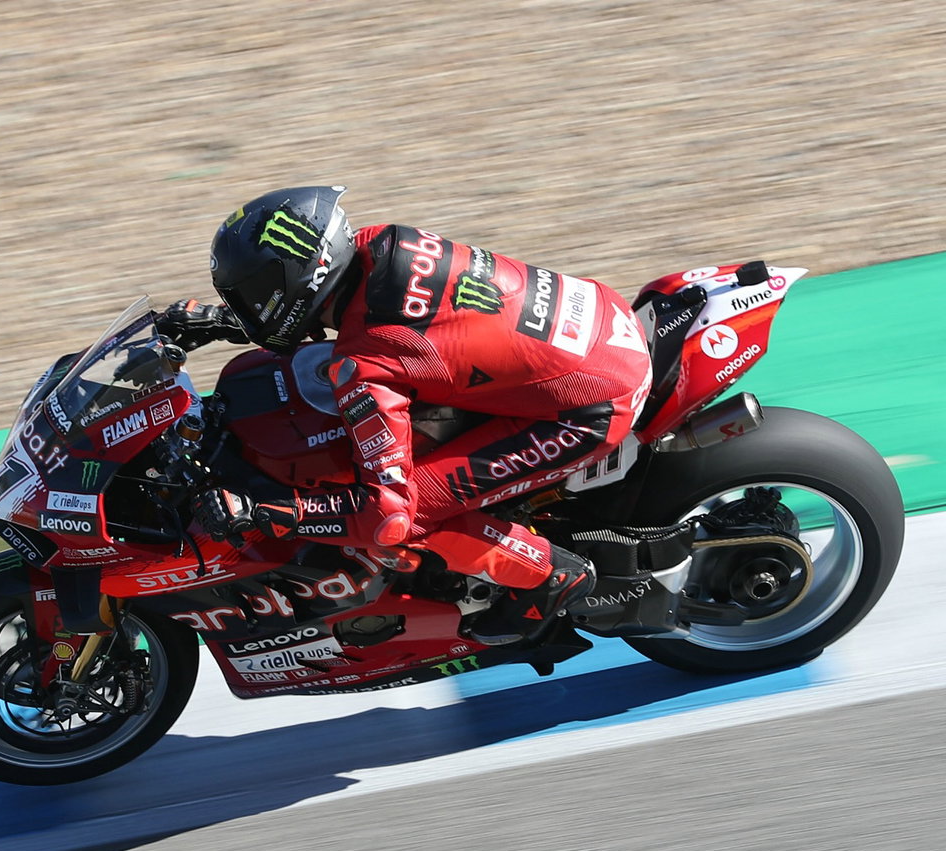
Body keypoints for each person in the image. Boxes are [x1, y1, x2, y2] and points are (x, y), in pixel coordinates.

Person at [159, 186, 653, 647]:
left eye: (248, 295)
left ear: (294, 277)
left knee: (413, 514)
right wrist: (225, 323)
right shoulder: (379, 243)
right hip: (600, 319)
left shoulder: (368, 364)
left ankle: (549, 576)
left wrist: (265, 513)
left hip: (591, 404)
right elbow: (367, 320)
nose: (243, 307)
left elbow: (387, 515)